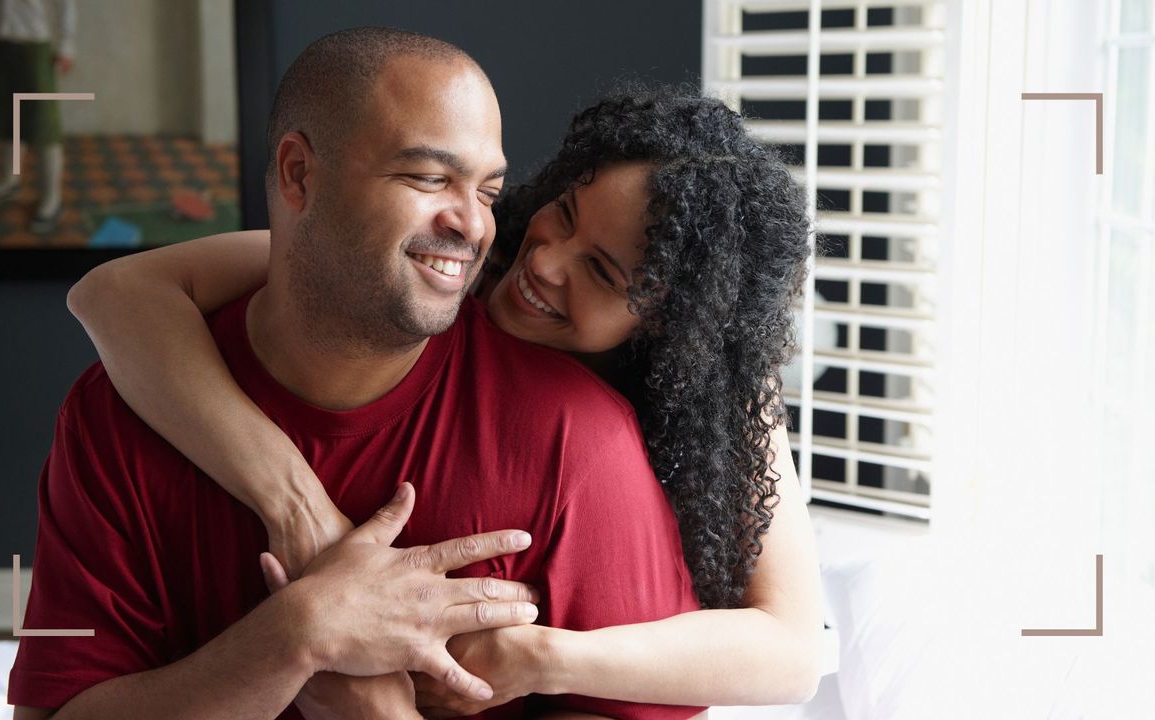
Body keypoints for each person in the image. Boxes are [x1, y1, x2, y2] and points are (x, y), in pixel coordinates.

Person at [64, 77, 825, 716]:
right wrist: (303, 514)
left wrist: (536, 655)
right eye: (562, 214)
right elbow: (117, 292)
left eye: (600, 272)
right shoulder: (444, 266)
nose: (547, 260)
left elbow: (791, 653)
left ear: (669, 325)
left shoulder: (718, 397)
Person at [0, 0, 74, 233]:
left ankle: (53, 198)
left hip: (32, 43)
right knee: (8, 115)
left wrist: (66, 46)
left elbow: (65, 4)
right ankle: (10, 181)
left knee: (44, 123)